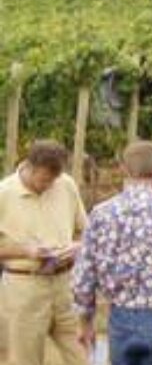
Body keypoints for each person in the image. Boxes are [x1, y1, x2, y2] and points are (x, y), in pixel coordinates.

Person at [72, 140, 152, 365]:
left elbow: (84, 277)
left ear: (123, 169)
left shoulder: (101, 213)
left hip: (121, 318)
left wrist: (86, 322)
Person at [0, 140, 87, 365]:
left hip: (66, 286)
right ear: (28, 166)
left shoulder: (65, 184)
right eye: (43, 180)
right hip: (24, 290)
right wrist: (27, 251)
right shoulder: (4, 193)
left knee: (81, 354)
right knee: (25, 359)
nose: (48, 185)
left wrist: (77, 247)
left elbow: (86, 231)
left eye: (53, 181)